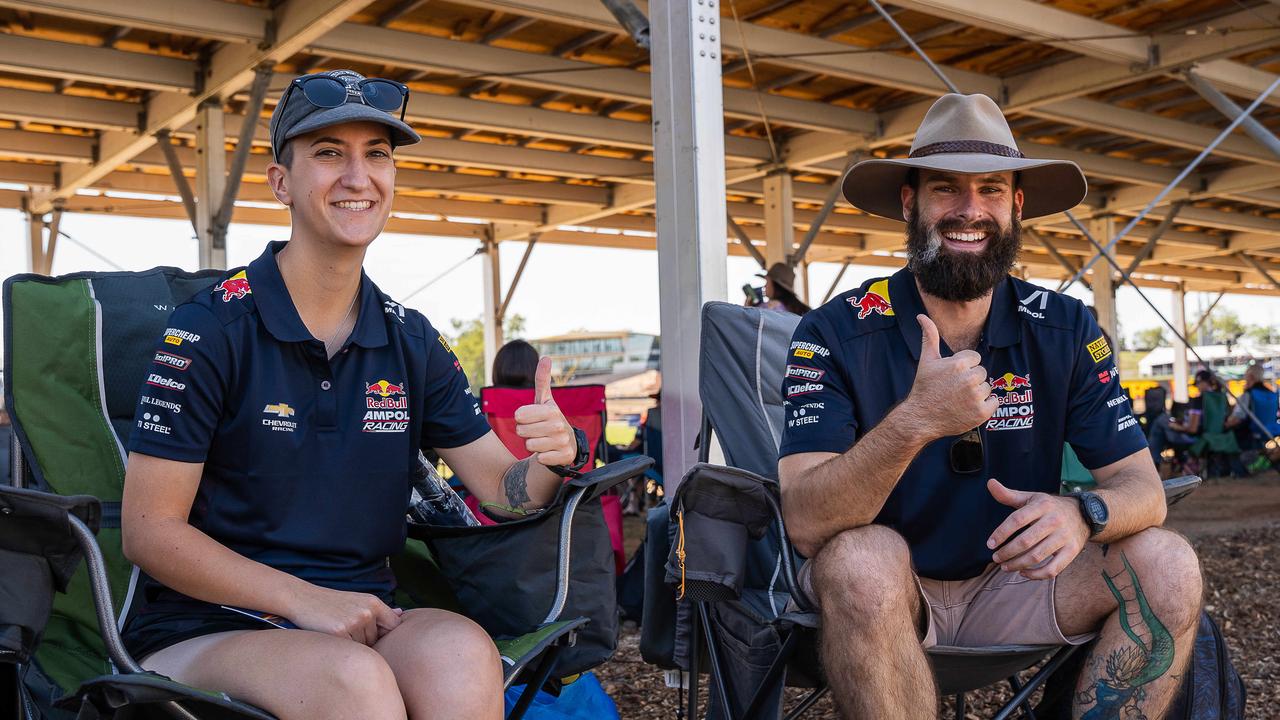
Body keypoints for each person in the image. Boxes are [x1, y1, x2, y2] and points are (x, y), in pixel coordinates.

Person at [119, 70, 588, 720]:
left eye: (377, 154)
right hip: (203, 630)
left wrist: (554, 459)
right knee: (354, 680)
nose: (357, 176)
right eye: (329, 152)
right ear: (281, 180)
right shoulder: (208, 330)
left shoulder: (411, 340)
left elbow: (505, 492)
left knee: (463, 651)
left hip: (363, 617)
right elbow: (147, 532)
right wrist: (302, 599)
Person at [777, 94, 1202, 720]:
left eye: (992, 190)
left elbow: (1144, 489)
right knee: (862, 560)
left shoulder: (1065, 326)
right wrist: (915, 422)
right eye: (946, 189)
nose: (970, 210)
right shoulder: (834, 330)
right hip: (887, 591)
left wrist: (1083, 511)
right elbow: (807, 522)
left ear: (1017, 204)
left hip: (1019, 584)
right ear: (909, 202)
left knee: (1169, 563)